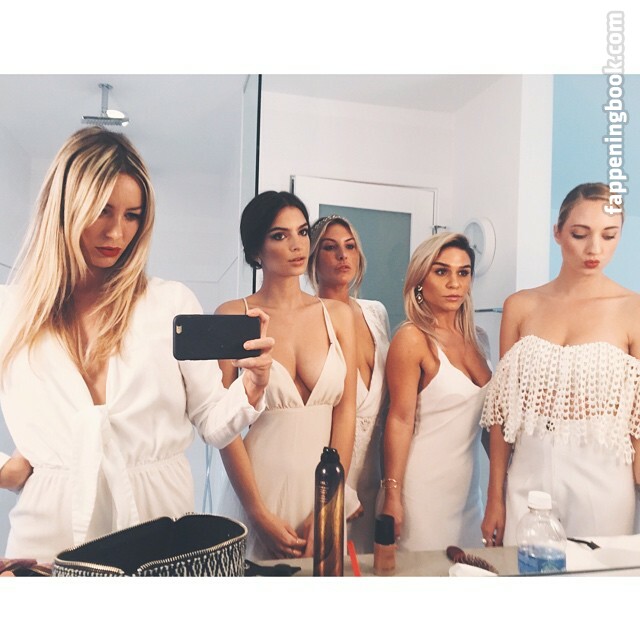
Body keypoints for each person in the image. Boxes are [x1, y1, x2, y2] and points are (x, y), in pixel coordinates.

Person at [0, 127, 274, 563]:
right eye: (102, 211)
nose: (117, 232)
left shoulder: (168, 303)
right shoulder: (11, 311)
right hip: (44, 537)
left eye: (133, 215)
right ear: (64, 207)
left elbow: (212, 422)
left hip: (156, 530)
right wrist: (7, 468)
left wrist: (251, 387)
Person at [481, 182, 640, 547]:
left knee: (597, 576)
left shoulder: (633, 309)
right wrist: (495, 496)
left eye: (609, 235)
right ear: (557, 232)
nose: (594, 248)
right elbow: (502, 413)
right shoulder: (520, 306)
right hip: (528, 471)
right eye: (580, 234)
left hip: (604, 477)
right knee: (522, 574)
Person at [215, 192, 358, 561]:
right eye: (280, 235)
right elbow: (221, 426)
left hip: (322, 492)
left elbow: (346, 413)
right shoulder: (232, 316)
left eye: (303, 232)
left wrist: (330, 503)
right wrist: (257, 513)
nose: (297, 245)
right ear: (256, 250)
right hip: (257, 492)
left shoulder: (338, 315)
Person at [380, 232, 491, 551]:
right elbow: (399, 421)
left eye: (463, 272)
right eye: (441, 271)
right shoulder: (412, 339)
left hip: (468, 496)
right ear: (420, 280)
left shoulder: (479, 339)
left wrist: (503, 485)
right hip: (420, 494)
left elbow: (489, 424)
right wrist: (392, 495)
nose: (454, 283)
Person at [307, 215, 390, 554]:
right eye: (330, 248)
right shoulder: (310, 318)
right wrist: (338, 485)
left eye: (350, 246)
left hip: (376, 475)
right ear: (313, 259)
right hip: (331, 475)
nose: (343, 255)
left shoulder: (376, 313)